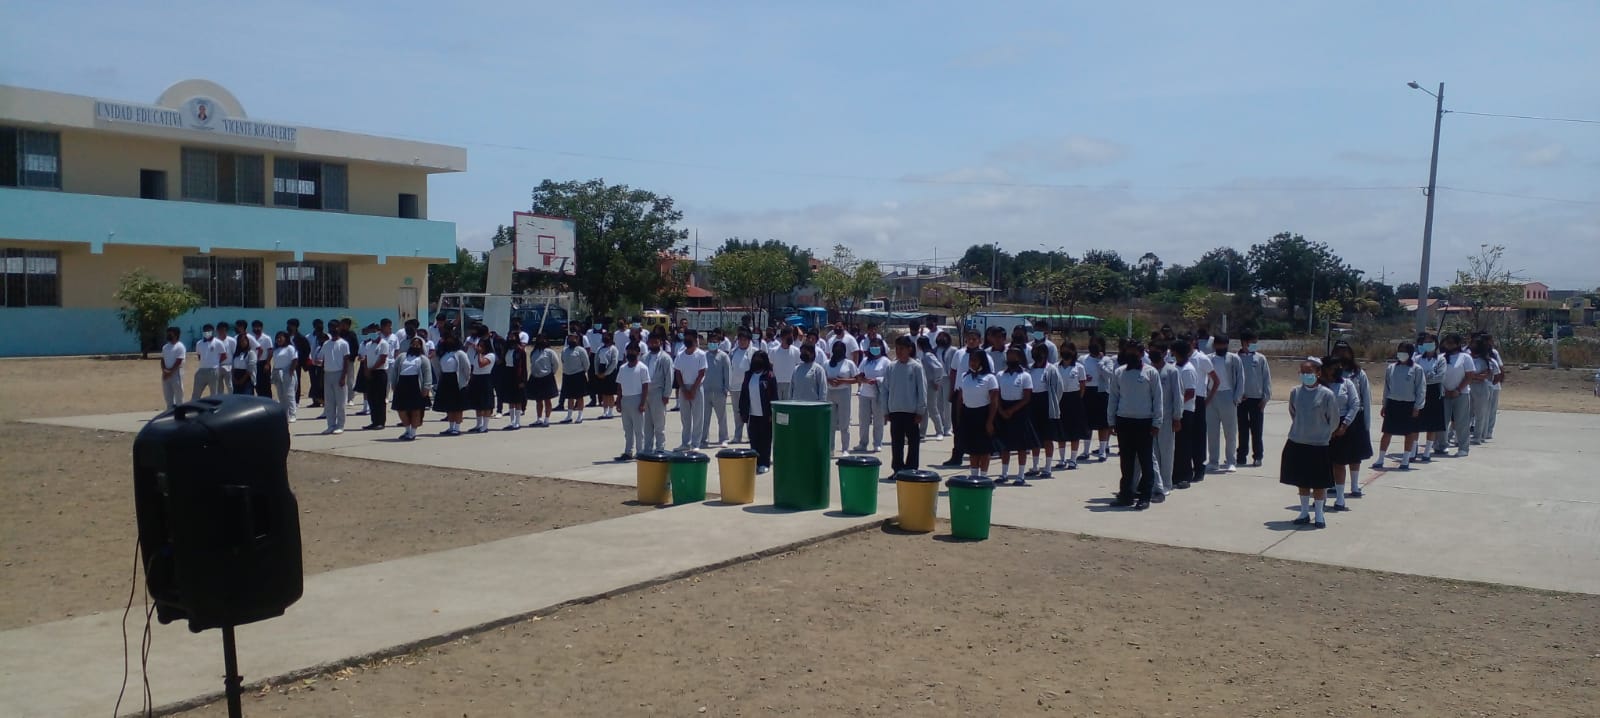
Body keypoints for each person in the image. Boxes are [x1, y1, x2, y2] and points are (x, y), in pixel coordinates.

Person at [1281, 358, 1341, 527]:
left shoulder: (1327, 394)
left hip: (1318, 444)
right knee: (1302, 481)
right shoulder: (1295, 392)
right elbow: (1293, 413)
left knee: (1319, 482)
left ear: (1318, 373)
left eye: (1309, 372)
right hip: (1298, 441)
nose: (1306, 375)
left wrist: (1323, 434)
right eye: (1303, 372)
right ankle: (1304, 512)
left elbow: (1333, 420)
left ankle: (1319, 515)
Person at [1107, 340, 1163, 509]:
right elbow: (1113, 397)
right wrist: (1111, 420)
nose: (1130, 355)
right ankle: (1126, 496)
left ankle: (1145, 497)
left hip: (1144, 422)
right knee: (1126, 462)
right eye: (1128, 351)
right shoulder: (1119, 372)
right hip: (1124, 421)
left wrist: (1157, 422)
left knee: (1146, 461)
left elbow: (1158, 399)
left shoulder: (1151, 372)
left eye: (1134, 352)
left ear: (1141, 353)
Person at [1329, 341, 1374, 497]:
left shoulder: (1358, 373)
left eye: (1344, 351)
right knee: (1335, 455)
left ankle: (1354, 485)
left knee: (1355, 455)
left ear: (1350, 352)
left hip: (1356, 417)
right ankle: (1334, 484)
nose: (1341, 354)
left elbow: (1365, 398)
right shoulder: (1329, 372)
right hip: (1334, 417)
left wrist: (1367, 423)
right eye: (1338, 351)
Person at [1372, 341, 1425, 471]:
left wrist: (1417, 406)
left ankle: (1406, 459)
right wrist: (1385, 404)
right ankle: (1380, 458)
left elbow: (1421, 389)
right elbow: (1387, 387)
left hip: (1408, 405)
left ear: (1410, 353)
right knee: (1387, 432)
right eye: (1400, 351)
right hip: (1393, 403)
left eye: (1404, 351)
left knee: (1408, 433)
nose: (1401, 354)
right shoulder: (1391, 368)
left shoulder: (1417, 369)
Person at [881, 335, 928, 473]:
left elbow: (922, 390)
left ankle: (911, 469)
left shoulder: (916, 367)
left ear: (909, 349)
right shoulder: (891, 367)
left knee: (913, 442)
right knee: (897, 443)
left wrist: (920, 410)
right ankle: (897, 469)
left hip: (911, 412)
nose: (899, 351)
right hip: (895, 410)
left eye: (902, 348)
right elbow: (885, 390)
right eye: (897, 348)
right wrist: (885, 411)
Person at [1323, 356, 1362, 512]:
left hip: (1342, 426)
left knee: (1339, 464)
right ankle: (1321, 497)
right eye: (1333, 367)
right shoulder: (1320, 385)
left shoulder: (1347, 383)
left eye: (1338, 367)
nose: (1337, 370)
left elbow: (1355, 404)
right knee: (1323, 464)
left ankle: (1340, 498)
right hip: (1323, 426)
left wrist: (1344, 425)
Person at [955, 350, 1001, 478]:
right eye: (971, 360)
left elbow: (994, 401)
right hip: (968, 414)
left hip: (984, 414)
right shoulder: (964, 376)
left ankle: (983, 476)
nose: (973, 363)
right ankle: (974, 476)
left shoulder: (990, 378)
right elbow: (960, 398)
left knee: (984, 449)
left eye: (975, 360)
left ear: (982, 361)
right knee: (973, 449)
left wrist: (990, 421)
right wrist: (959, 417)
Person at [1206, 334, 1244, 474]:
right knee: (1212, 432)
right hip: (1211, 396)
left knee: (1230, 431)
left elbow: (1240, 378)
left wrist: (1236, 398)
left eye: (1224, 344)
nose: (1221, 347)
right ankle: (1213, 461)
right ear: (1215, 345)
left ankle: (1231, 461)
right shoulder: (1208, 359)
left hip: (1228, 395)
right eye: (1219, 344)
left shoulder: (1234, 359)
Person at [1234, 330, 1272, 467]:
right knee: (1242, 429)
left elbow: (1266, 378)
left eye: (1256, 342)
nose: (1255, 345)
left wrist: (1265, 398)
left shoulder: (1260, 358)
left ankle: (1258, 456)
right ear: (1244, 342)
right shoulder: (1235, 358)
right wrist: (1238, 394)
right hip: (1241, 400)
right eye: (1252, 342)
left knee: (1257, 430)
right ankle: (1241, 456)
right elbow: (1233, 378)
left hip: (1257, 399)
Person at [1151, 342, 1183, 501]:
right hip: (1151, 418)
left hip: (1167, 417)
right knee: (1153, 453)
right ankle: (1155, 484)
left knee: (1166, 451)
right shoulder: (1149, 370)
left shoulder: (1172, 371)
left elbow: (1178, 396)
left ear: (1164, 353)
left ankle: (1166, 484)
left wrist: (1177, 417)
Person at [1025, 343, 1062, 479]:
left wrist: (1053, 403)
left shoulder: (1051, 369)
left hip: (1046, 404)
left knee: (1047, 438)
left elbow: (1059, 388)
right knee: (1034, 438)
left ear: (1045, 354)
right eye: (1035, 352)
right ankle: (1035, 466)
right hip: (1032, 404)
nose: (1037, 354)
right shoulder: (1029, 369)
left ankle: (1047, 467)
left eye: (1040, 352)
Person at [738, 350, 779, 473]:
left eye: (760, 359)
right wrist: (742, 411)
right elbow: (743, 394)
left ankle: (764, 463)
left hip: (765, 414)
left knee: (765, 440)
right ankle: (754, 462)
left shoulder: (769, 376)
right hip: (752, 413)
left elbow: (774, 396)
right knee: (754, 439)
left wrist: (772, 412)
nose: (757, 361)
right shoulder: (748, 375)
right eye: (755, 358)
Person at [1433, 334, 1473, 458]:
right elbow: (1437, 375)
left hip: (1461, 394)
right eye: (1447, 342)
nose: (1448, 345)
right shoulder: (1440, 358)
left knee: (1461, 421)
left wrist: (1458, 389)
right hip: (1444, 394)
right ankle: (1441, 445)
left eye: (1451, 342)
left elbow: (1469, 376)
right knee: (1442, 421)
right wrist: (1444, 390)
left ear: (1457, 344)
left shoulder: (1465, 357)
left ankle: (1463, 448)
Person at [1168, 340, 1201, 490]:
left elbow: (1190, 392)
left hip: (1185, 411)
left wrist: (1177, 404)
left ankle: (1185, 476)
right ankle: (1175, 474)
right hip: (1176, 410)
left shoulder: (1188, 370)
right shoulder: (1176, 367)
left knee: (1184, 445)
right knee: (1177, 446)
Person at [390, 336, 433, 441]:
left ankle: (412, 433)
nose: (415, 346)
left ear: (421, 346)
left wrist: (426, 387)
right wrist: (393, 383)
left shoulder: (423, 359)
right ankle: (407, 430)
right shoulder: (402, 357)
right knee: (401, 409)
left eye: (418, 345)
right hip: (402, 384)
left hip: (416, 385)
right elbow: (395, 371)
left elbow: (427, 374)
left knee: (416, 410)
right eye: (413, 344)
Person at [1412, 332, 1447, 463]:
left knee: (1432, 425)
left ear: (1436, 344)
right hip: (1419, 392)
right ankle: (1413, 450)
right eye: (1425, 342)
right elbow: (1414, 374)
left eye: (1430, 342)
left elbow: (1440, 376)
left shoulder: (1440, 359)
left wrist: (1423, 378)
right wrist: (1426, 377)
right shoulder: (1417, 359)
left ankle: (1427, 451)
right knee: (1415, 423)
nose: (1427, 344)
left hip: (1434, 393)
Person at [1055, 342, 1089, 471]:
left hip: (1074, 399)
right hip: (1060, 399)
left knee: (1075, 431)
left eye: (1068, 350)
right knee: (1061, 430)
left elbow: (1082, 385)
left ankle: (1073, 460)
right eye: (1063, 349)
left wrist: (1078, 399)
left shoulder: (1079, 367)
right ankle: (1062, 459)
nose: (1065, 352)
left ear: (1074, 352)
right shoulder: (1055, 367)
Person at [614, 342, 651, 461]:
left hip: (637, 399)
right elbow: (619, 386)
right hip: (625, 399)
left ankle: (640, 452)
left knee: (639, 430)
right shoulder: (622, 368)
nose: (630, 353)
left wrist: (642, 403)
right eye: (628, 351)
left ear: (638, 353)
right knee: (627, 429)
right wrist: (618, 400)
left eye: (633, 351)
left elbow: (645, 387)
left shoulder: (642, 368)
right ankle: (628, 451)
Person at [673, 330, 709, 450]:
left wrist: (693, 389)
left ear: (694, 339)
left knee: (698, 417)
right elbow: (677, 372)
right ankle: (685, 443)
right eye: (686, 338)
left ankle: (695, 444)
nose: (687, 340)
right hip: (684, 388)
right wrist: (683, 389)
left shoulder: (701, 354)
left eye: (689, 338)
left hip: (697, 388)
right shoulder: (680, 355)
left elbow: (701, 372)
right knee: (685, 417)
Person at [855, 337, 890, 453]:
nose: (874, 348)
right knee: (863, 420)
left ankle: (877, 443)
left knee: (878, 420)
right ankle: (863, 443)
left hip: (878, 394)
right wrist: (864, 380)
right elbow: (859, 375)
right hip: (865, 393)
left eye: (877, 346)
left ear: (881, 347)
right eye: (872, 346)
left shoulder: (886, 361)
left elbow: (889, 378)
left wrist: (877, 380)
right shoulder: (866, 360)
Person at [824, 341, 859, 452]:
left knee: (844, 422)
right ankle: (830, 449)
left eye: (840, 350)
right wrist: (829, 380)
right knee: (830, 423)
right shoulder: (827, 363)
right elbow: (823, 377)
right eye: (836, 350)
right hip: (830, 393)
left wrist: (842, 381)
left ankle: (845, 449)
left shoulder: (849, 363)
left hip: (844, 392)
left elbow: (856, 379)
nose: (837, 352)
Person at [433, 334, 470, 436]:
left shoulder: (460, 353)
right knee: (449, 405)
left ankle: (457, 428)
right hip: (445, 379)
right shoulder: (444, 354)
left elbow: (466, 368)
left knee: (457, 406)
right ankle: (451, 427)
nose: (448, 342)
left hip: (456, 380)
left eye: (450, 340)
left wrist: (466, 380)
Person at [1080, 338, 1111, 462]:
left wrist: (1100, 363)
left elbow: (1109, 375)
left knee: (1103, 424)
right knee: (1087, 423)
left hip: (1101, 392)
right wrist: (1083, 378)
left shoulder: (1107, 360)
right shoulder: (1083, 359)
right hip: (1087, 391)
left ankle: (1102, 451)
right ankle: (1085, 451)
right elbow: (1078, 372)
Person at [644, 332, 675, 452]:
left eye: (655, 342)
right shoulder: (644, 357)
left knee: (659, 424)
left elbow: (669, 377)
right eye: (651, 342)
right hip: (646, 393)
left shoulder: (665, 358)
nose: (653, 344)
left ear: (660, 343)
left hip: (658, 393)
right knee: (647, 424)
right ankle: (647, 449)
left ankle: (660, 448)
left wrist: (666, 394)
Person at [1468, 335, 1498, 445]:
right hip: (1469, 386)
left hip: (1481, 387)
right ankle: (1463, 435)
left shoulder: (1486, 360)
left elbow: (1485, 375)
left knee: (1480, 413)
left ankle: (1478, 436)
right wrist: (1474, 376)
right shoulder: (1468, 358)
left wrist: (1473, 377)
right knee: (1467, 413)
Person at [466, 325, 497, 433]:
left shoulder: (490, 355)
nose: (479, 347)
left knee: (486, 403)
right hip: (476, 378)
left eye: (481, 346)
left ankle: (485, 425)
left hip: (485, 379)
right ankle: (478, 424)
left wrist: (479, 353)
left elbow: (482, 364)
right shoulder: (476, 355)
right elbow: (474, 366)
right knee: (477, 403)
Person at [320, 329, 351, 435]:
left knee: (340, 402)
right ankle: (331, 425)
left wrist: (343, 377)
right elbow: (322, 358)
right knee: (329, 402)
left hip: (339, 373)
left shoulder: (343, 344)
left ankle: (340, 425)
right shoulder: (326, 344)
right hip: (328, 373)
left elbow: (346, 360)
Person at [497, 331, 529, 429]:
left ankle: (517, 422)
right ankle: (512, 422)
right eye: (509, 337)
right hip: (508, 374)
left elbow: (523, 367)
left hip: (517, 375)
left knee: (517, 400)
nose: (511, 338)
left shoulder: (520, 350)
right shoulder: (506, 349)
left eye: (512, 337)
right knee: (510, 400)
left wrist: (523, 380)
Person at [917, 336, 948, 438]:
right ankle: (922, 432)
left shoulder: (928, 355)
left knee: (932, 409)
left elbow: (939, 368)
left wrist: (937, 381)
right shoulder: (924, 355)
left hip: (931, 385)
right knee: (924, 409)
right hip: (925, 384)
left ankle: (939, 431)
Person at [729, 330, 755, 444]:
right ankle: (737, 436)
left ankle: (750, 435)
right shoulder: (733, 352)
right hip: (735, 387)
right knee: (737, 413)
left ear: (749, 341)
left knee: (750, 411)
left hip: (749, 388)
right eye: (740, 340)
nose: (742, 342)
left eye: (745, 340)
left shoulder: (754, 352)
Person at [527, 336, 559, 426]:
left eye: (543, 339)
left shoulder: (550, 352)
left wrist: (551, 373)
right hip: (535, 378)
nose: (541, 341)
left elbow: (556, 364)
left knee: (547, 400)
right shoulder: (534, 352)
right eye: (539, 339)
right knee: (538, 400)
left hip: (547, 377)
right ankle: (539, 419)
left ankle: (547, 419)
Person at [560, 333, 591, 424]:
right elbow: (563, 360)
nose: (572, 340)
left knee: (579, 397)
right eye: (570, 338)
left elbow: (586, 364)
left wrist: (582, 371)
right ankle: (569, 416)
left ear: (577, 339)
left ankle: (580, 416)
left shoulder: (581, 350)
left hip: (578, 375)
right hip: (567, 376)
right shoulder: (564, 350)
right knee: (569, 397)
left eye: (574, 338)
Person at [268, 331, 300, 421]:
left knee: (289, 394)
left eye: (280, 338)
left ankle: (293, 414)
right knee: (281, 395)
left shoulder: (290, 348)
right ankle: (285, 414)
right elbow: (275, 362)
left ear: (285, 338)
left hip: (287, 372)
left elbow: (295, 359)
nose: (279, 340)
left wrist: (291, 370)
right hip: (278, 372)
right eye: (277, 338)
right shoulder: (276, 350)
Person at [594, 331, 621, 420]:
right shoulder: (600, 349)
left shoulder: (614, 349)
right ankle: (605, 411)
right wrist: (597, 372)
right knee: (604, 393)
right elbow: (596, 360)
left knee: (610, 394)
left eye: (607, 336)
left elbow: (614, 362)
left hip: (610, 372)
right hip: (601, 371)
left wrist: (605, 373)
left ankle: (610, 411)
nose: (605, 338)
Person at [771, 329, 802, 400]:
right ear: (782, 337)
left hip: (791, 383)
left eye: (792, 336)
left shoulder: (796, 351)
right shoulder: (773, 351)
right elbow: (770, 366)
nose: (791, 338)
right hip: (777, 382)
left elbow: (798, 366)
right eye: (789, 336)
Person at [160, 326, 185, 409]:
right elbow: (162, 360)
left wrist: (170, 372)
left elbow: (179, 361)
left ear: (176, 335)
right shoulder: (165, 347)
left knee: (179, 395)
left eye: (170, 334)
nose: (168, 335)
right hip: (166, 374)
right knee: (168, 396)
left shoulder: (180, 346)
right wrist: (164, 371)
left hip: (176, 373)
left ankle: (180, 412)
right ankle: (170, 411)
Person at [307, 319, 327, 409]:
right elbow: (308, 349)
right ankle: (315, 401)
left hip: (323, 364)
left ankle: (323, 399)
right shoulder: (309, 337)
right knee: (313, 382)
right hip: (312, 362)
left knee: (322, 382)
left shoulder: (326, 336)